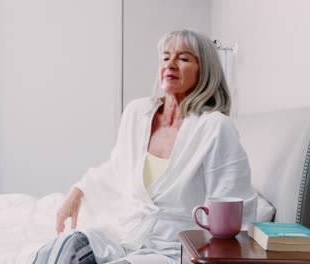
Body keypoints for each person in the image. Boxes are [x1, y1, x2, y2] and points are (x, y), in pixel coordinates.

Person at [31, 29, 257, 264]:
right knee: (63, 247)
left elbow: (231, 204)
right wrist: (76, 193)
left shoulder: (215, 127)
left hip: (173, 248)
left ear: (205, 70)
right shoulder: (137, 112)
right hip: (124, 235)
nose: (170, 64)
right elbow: (117, 167)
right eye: (165, 57)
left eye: (183, 58)